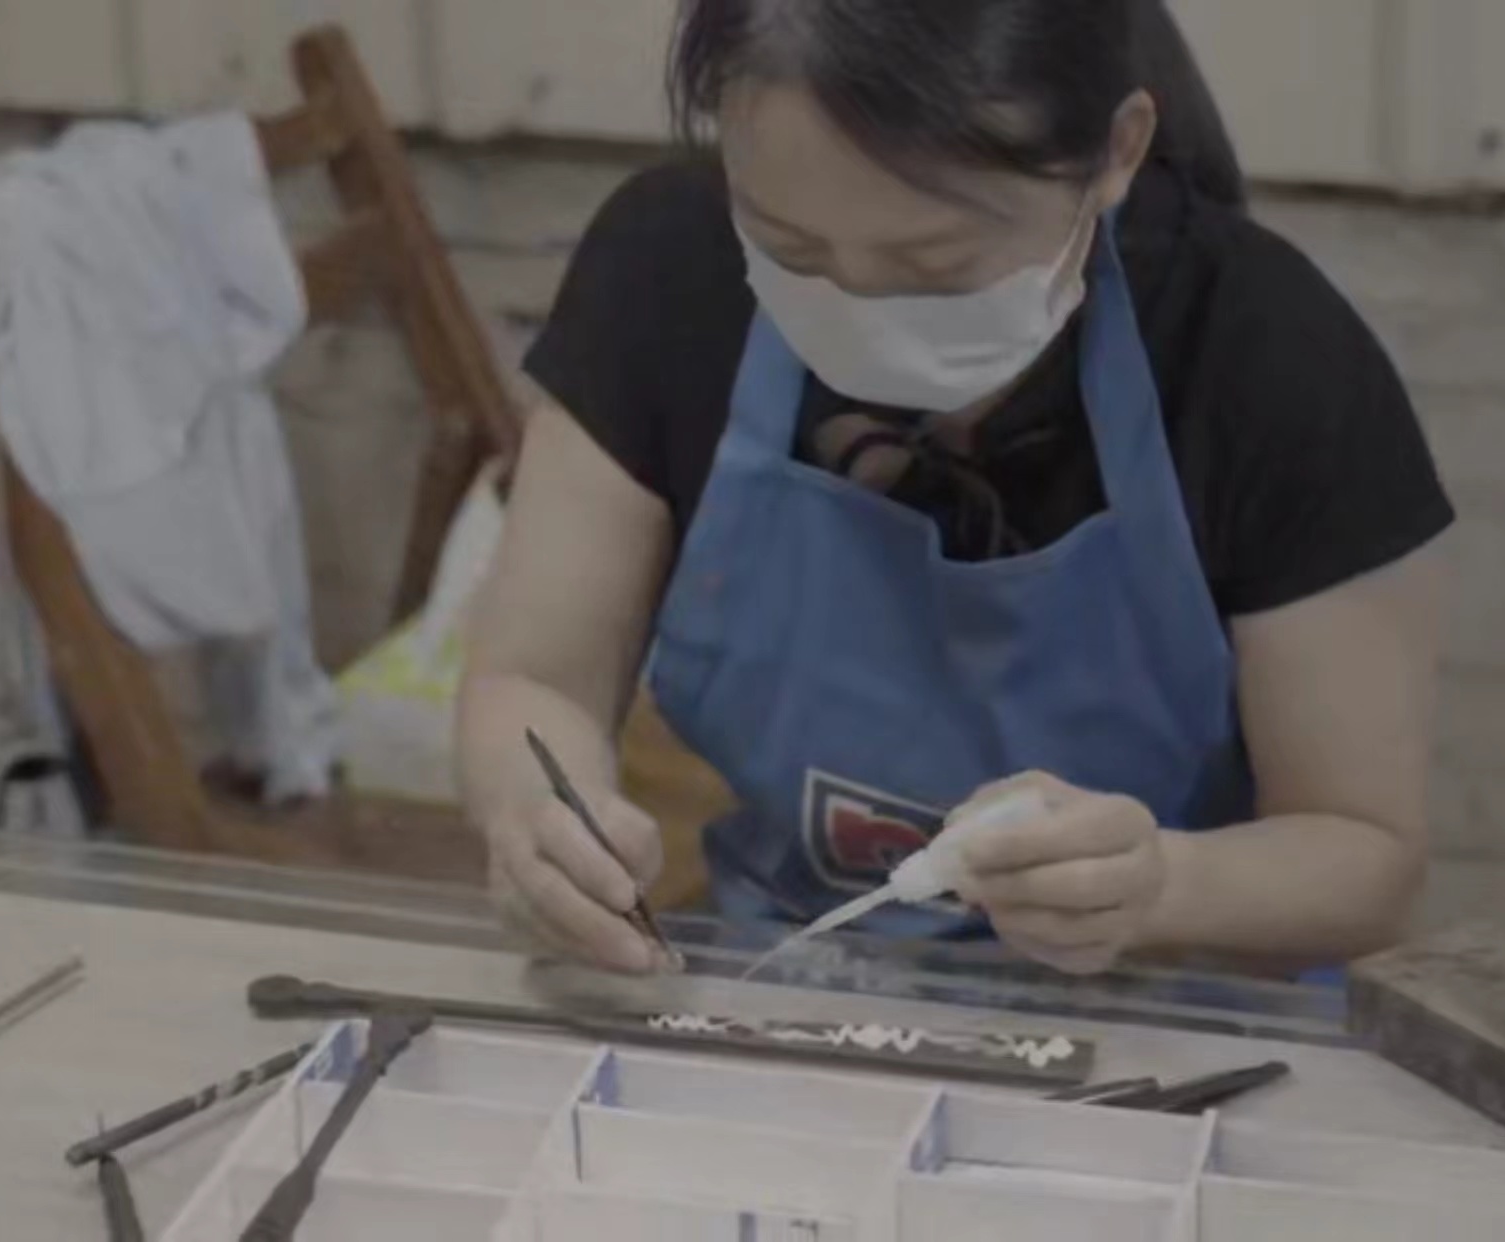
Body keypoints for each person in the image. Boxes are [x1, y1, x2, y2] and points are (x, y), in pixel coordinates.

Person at [459, 0, 1453, 978]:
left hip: (1175, 1014)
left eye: (933, 264)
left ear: (1115, 151)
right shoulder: (669, 271)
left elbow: (1365, 856)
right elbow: (533, 681)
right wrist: (539, 818)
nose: (856, 305)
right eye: (790, 248)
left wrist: (1162, 887)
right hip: (795, 981)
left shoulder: (1261, 355)